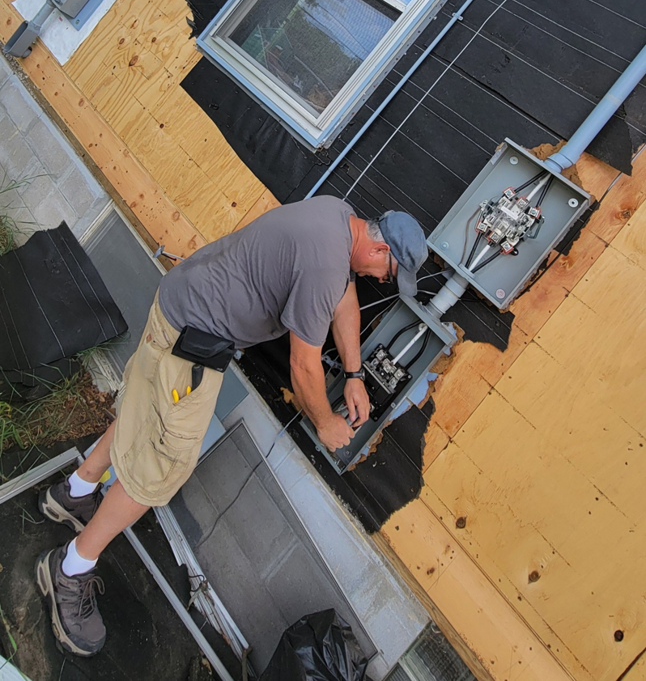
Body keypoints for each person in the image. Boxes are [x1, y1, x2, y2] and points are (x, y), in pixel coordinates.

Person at [35, 196, 428, 656]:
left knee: (144, 413)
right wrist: (325, 423)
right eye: (388, 274)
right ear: (381, 252)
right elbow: (304, 366)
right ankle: (70, 568)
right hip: (192, 344)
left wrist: (356, 374)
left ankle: (74, 493)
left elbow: (346, 299)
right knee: (163, 466)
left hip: (179, 305)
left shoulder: (336, 216)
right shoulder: (326, 264)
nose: (380, 280)